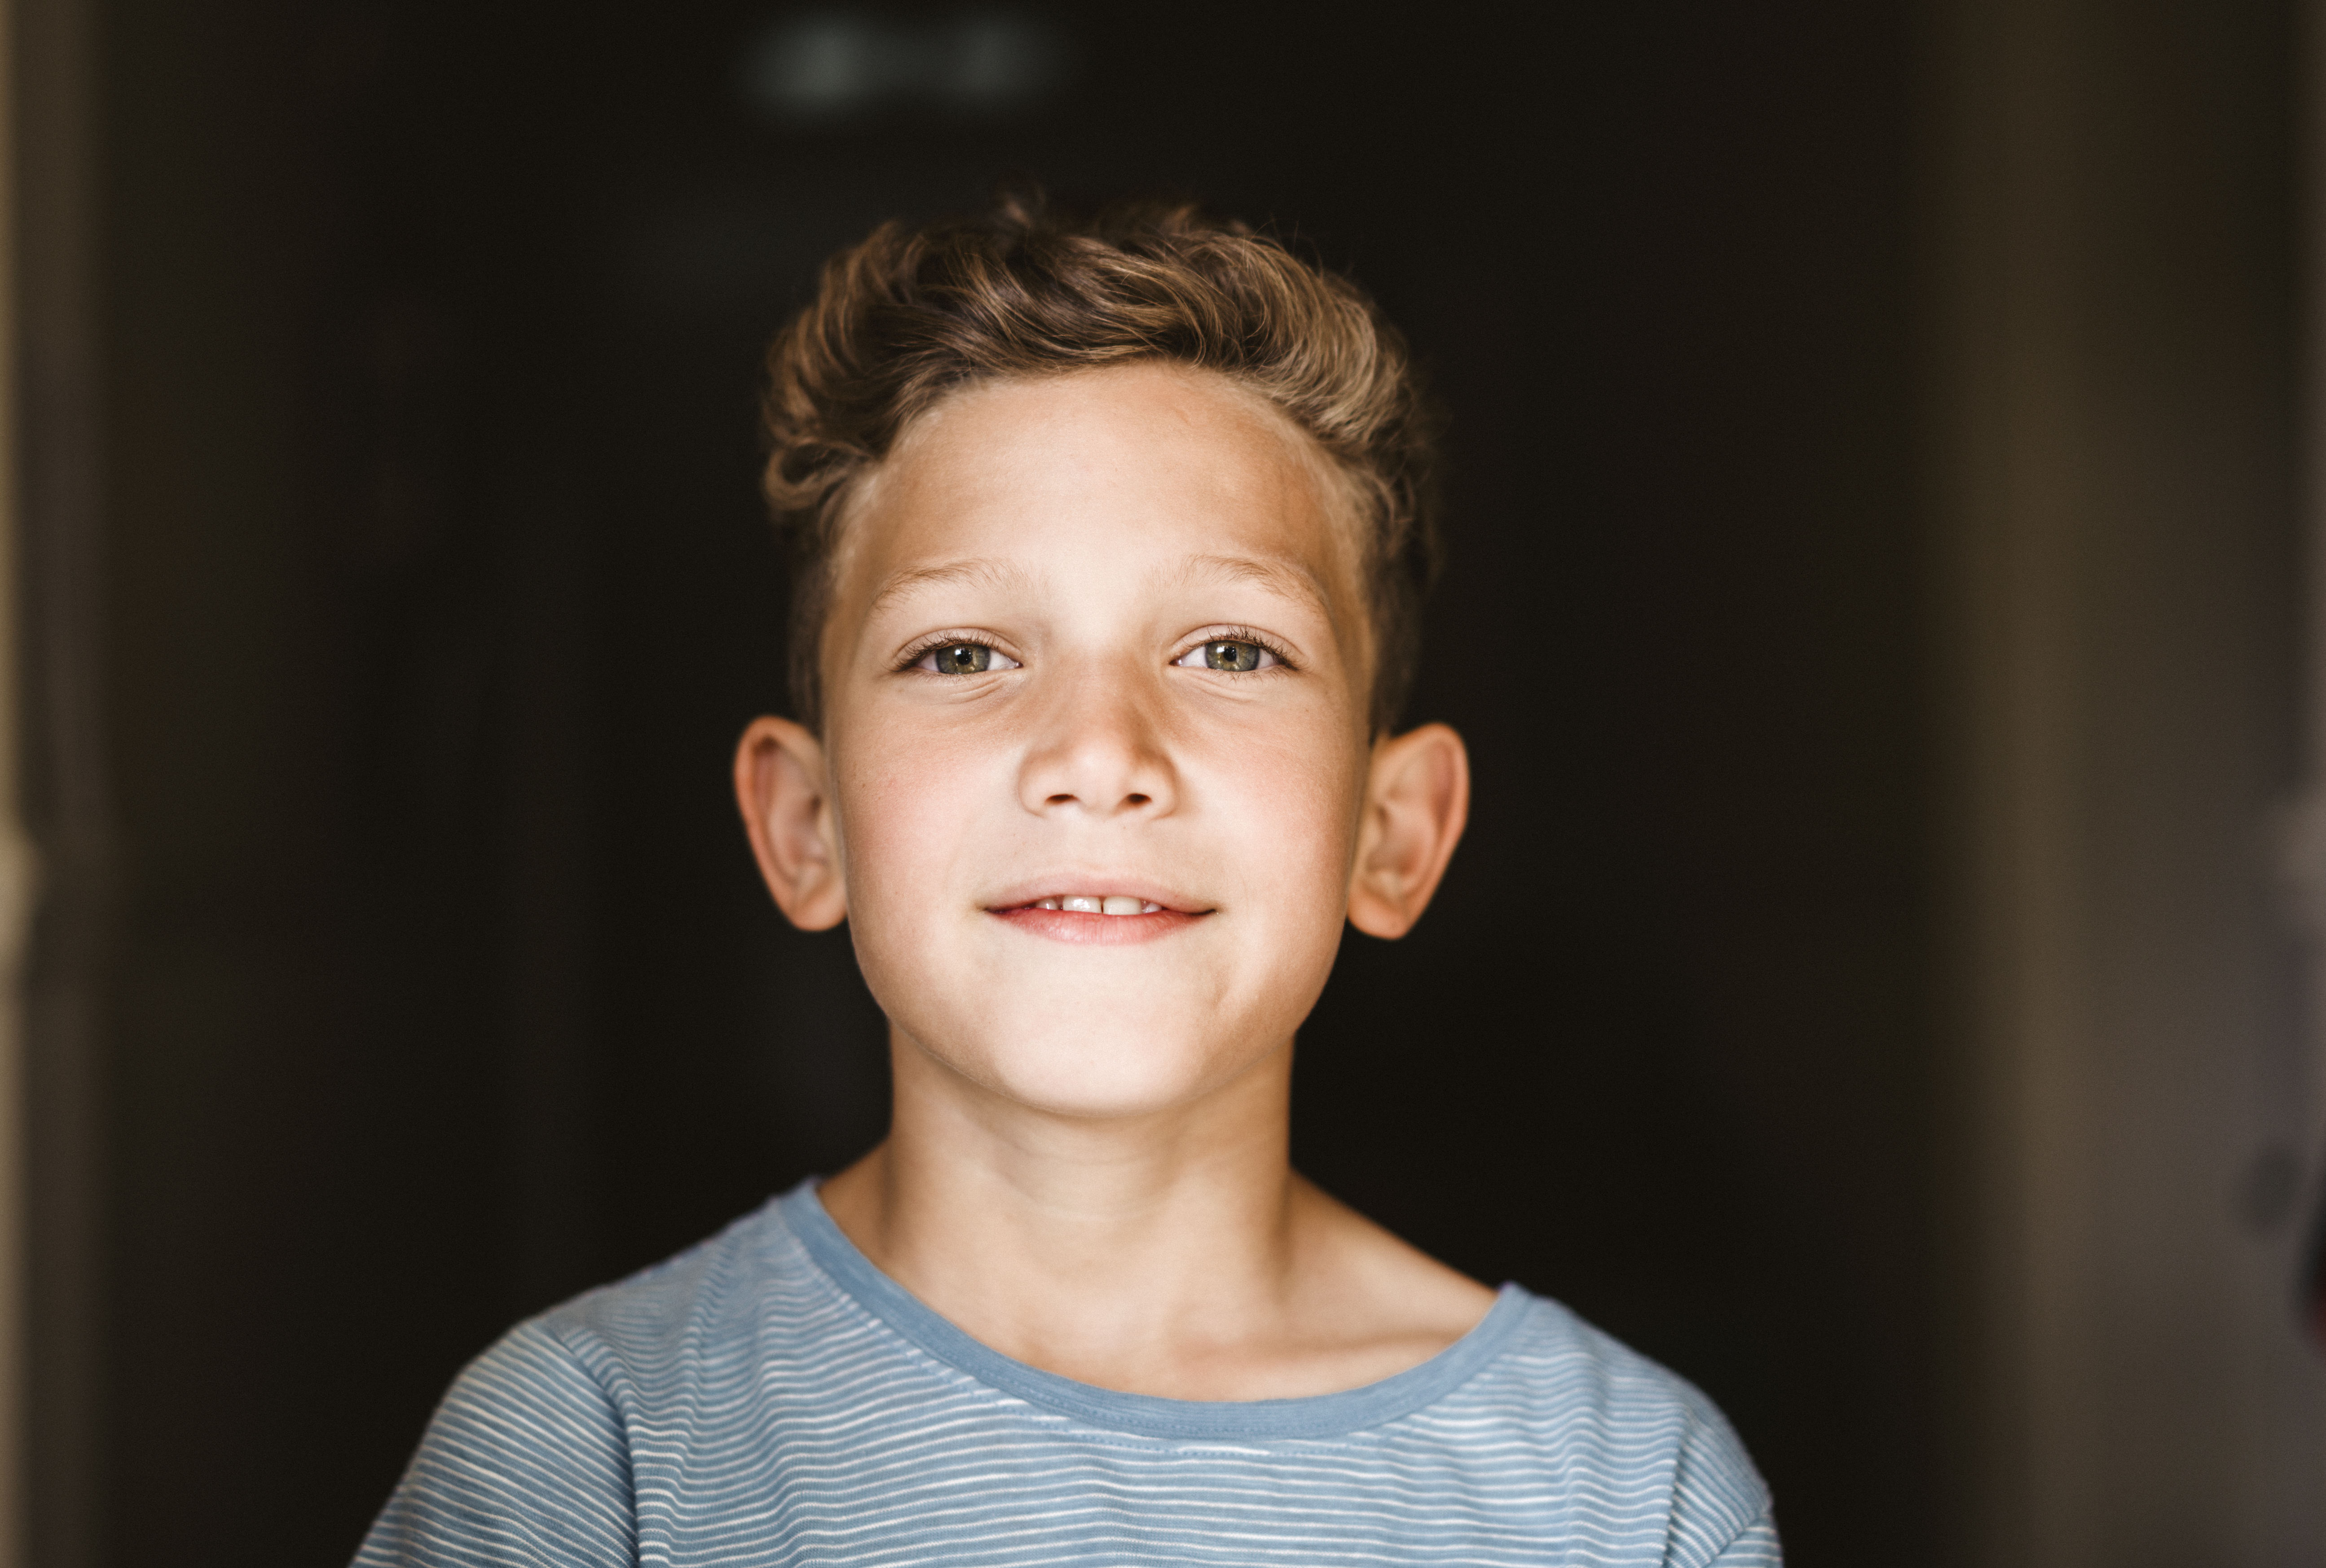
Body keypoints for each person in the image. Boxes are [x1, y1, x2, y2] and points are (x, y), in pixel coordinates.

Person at [353, 190, 1780, 1566]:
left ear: (1391, 833)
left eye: (1230, 651)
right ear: (805, 827)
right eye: (963, 655)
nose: (1099, 755)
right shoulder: (589, 1457)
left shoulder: (1617, 1492)